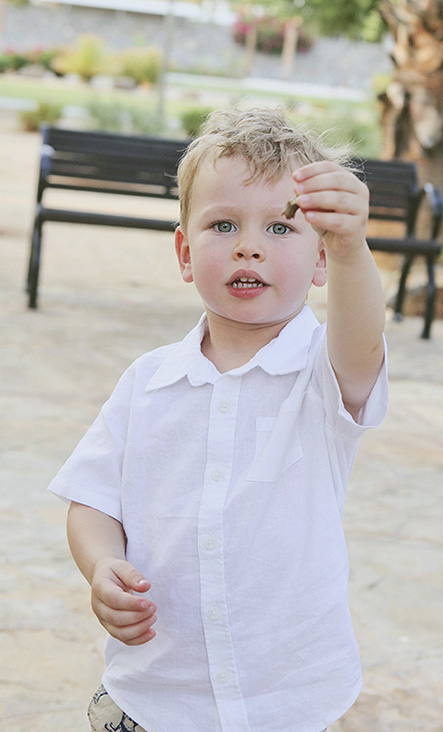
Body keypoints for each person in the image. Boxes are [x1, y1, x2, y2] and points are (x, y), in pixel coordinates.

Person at [49, 107, 389, 731]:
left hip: (286, 698)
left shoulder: (324, 373)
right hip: (155, 693)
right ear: (184, 251)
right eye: (223, 224)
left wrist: (351, 248)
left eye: (282, 229)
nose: (249, 244)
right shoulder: (148, 381)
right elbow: (92, 499)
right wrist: (101, 566)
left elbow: (365, 338)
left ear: (320, 262)